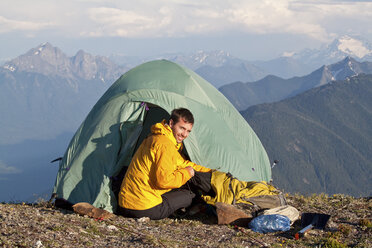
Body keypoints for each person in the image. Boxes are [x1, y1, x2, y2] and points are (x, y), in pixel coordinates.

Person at [118, 108, 212, 220]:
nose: (184, 134)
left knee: (179, 182)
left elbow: (181, 162)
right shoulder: (165, 145)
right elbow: (164, 181)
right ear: (171, 123)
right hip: (143, 208)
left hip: (124, 204)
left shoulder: (155, 137)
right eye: (182, 128)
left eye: (188, 131)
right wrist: (187, 173)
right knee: (189, 194)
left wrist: (210, 172)